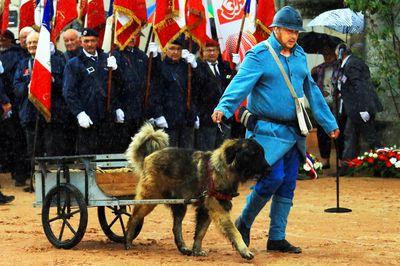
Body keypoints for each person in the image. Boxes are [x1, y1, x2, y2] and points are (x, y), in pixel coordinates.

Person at [211, 6, 339, 253]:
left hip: (294, 133)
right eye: (289, 30)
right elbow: (240, 84)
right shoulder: (259, 54)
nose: (293, 35)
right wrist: (224, 107)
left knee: (288, 182)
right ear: (276, 29)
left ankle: (277, 238)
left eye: (296, 31)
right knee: (274, 178)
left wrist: (329, 123)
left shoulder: (300, 55)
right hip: (266, 133)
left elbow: (312, 91)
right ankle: (243, 223)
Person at [63, 28, 118, 155]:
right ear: (81, 42)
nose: (89, 44)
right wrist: (79, 113)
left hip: (107, 115)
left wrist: (116, 70)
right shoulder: (74, 63)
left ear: (97, 41)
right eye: (86, 41)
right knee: (87, 155)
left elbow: (117, 86)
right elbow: (69, 92)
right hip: (87, 116)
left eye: (93, 41)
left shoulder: (107, 59)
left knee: (106, 156)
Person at [335, 43, 383, 175]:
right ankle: (347, 167)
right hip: (355, 108)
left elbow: (360, 87)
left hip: (360, 107)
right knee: (351, 135)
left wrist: (364, 109)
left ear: (341, 53)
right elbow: (350, 85)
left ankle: (385, 163)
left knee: (369, 137)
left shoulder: (352, 64)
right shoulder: (347, 65)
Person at [148, 38, 199, 148]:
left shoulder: (186, 66)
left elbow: (195, 90)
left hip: (186, 118)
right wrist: (158, 114)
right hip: (167, 118)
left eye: (178, 49)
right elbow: (155, 93)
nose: (175, 52)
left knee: (187, 156)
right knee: (169, 157)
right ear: (165, 49)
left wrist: (195, 68)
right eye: (172, 48)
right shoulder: (160, 67)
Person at [0, 29, 30, 187]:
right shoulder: (6, 56)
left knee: (23, 141)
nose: (25, 41)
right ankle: (19, 174)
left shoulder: (26, 55)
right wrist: (5, 100)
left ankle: (23, 172)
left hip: (23, 103)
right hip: (11, 104)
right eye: (23, 38)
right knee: (16, 141)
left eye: (28, 38)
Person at [194, 39, 234, 150]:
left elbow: (231, 84)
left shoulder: (224, 66)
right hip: (206, 116)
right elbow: (196, 91)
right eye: (208, 50)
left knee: (223, 151)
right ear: (203, 52)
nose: (212, 53)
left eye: (214, 50)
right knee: (207, 152)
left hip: (224, 117)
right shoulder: (198, 66)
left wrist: (235, 69)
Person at [110, 36, 148, 152]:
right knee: (123, 148)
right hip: (123, 108)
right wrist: (116, 106)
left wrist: (155, 58)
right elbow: (112, 86)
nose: (131, 38)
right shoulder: (115, 55)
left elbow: (151, 80)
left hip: (140, 109)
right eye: (129, 35)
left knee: (140, 149)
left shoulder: (141, 55)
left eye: (134, 35)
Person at [311, 46, 346, 169]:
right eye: (325, 55)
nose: (327, 57)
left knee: (338, 131)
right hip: (323, 104)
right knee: (322, 132)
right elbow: (312, 81)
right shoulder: (320, 68)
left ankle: (341, 159)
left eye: (329, 54)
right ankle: (325, 159)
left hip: (337, 104)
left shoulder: (340, 68)